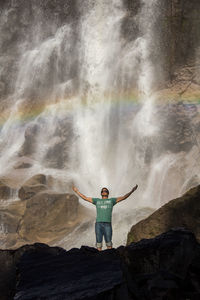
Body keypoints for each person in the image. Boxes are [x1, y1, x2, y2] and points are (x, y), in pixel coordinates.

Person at [72, 184, 138, 251]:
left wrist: (132, 191)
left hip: (107, 224)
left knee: (109, 243)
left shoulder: (112, 200)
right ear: (101, 193)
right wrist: (77, 191)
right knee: (98, 244)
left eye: (105, 190)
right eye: (103, 191)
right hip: (98, 224)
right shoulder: (97, 200)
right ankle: (100, 258)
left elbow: (124, 197)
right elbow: (85, 198)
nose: (104, 191)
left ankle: (110, 257)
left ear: (108, 193)